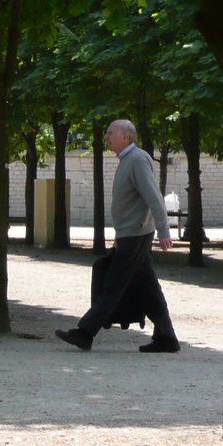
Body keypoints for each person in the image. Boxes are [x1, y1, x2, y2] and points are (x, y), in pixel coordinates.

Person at [56, 119, 181, 353]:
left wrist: (164, 231)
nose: (106, 137)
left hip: (135, 234)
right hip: (131, 233)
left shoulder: (137, 160)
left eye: (110, 133)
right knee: (148, 288)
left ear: (126, 136)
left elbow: (154, 198)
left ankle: (85, 333)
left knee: (113, 284)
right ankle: (167, 338)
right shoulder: (129, 160)